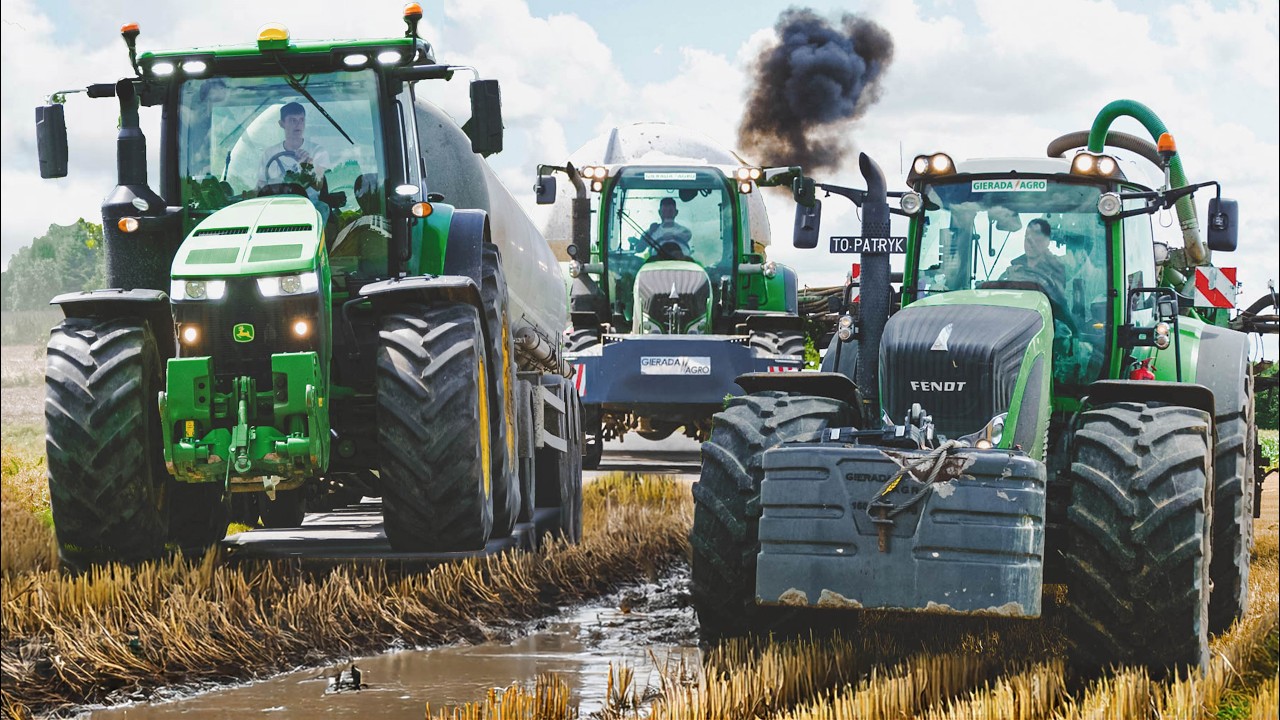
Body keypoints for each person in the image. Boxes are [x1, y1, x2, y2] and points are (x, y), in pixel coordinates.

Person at [258, 102, 330, 193]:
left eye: (301, 120)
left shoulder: (318, 152)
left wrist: (307, 165)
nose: (298, 125)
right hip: (277, 203)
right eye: (293, 120)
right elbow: (261, 186)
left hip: (310, 203)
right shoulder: (269, 154)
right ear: (281, 124)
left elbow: (318, 185)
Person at [1001, 218, 1066, 294]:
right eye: (1027, 238)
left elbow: (1058, 300)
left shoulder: (1056, 269)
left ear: (1047, 242)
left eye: (1035, 238)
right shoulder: (1013, 269)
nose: (1030, 243)